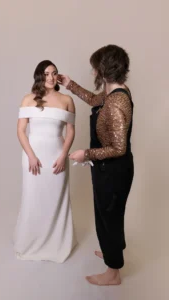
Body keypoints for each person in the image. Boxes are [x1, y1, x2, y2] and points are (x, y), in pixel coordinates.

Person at [58, 45, 134, 285]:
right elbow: (93, 99)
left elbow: (118, 148)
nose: (92, 72)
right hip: (111, 170)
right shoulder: (116, 92)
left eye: (94, 68)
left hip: (113, 171)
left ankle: (113, 273)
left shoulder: (116, 103)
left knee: (108, 216)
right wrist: (70, 84)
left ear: (103, 70)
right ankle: (113, 253)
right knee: (109, 214)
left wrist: (86, 154)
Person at [14, 60, 76, 263]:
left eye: (54, 73)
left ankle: (56, 243)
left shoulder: (66, 99)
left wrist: (63, 156)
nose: (50, 77)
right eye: (46, 73)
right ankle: (31, 241)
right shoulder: (28, 99)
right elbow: (21, 131)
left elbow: (71, 131)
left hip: (57, 157)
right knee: (34, 199)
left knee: (55, 199)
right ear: (40, 76)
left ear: (58, 76)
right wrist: (31, 155)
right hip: (33, 157)